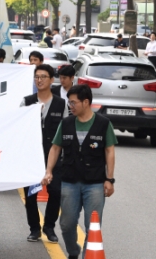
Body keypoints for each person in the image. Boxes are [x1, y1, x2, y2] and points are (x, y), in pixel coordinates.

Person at [41, 84, 117, 259]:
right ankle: (73, 252)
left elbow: (109, 151)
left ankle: (86, 255)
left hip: (95, 183)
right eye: (69, 102)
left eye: (74, 103)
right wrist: (49, 171)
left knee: (92, 225)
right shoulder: (66, 123)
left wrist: (109, 179)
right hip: (70, 181)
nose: (70, 106)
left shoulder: (104, 123)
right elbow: (55, 148)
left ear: (86, 102)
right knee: (67, 224)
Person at [20, 64, 68, 243]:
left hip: (54, 157)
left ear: (51, 80)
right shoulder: (27, 101)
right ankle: (34, 228)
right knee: (31, 194)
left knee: (55, 192)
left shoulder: (60, 103)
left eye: (43, 77)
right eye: (37, 77)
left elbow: (65, 129)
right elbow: (19, 126)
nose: (39, 80)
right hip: (32, 157)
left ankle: (49, 226)